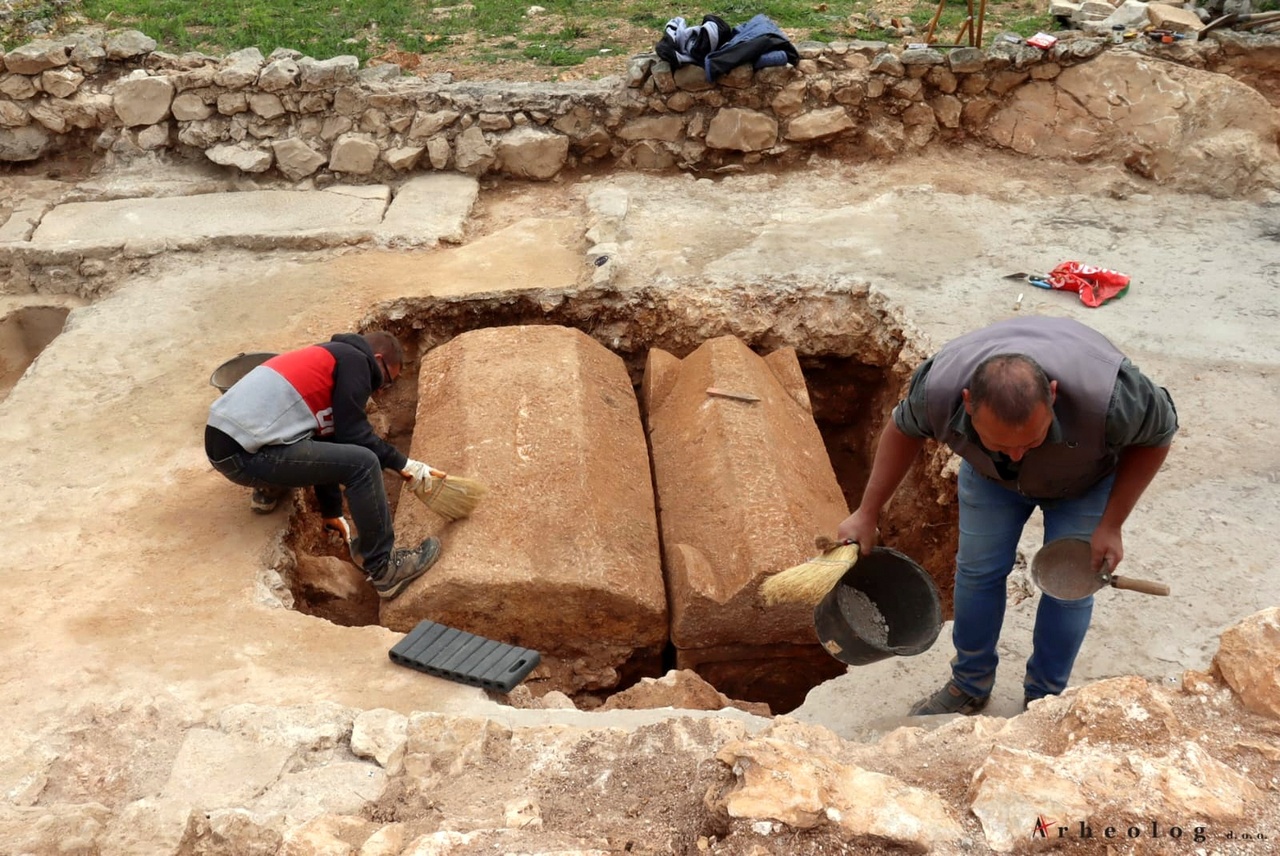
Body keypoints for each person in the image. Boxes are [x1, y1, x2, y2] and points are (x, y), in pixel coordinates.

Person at [836, 316, 1178, 714]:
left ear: (1052, 394)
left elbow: (1159, 436)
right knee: (977, 573)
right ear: (967, 403)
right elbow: (902, 431)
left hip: (1086, 480)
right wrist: (866, 512)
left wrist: (1112, 523)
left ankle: (1044, 700)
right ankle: (969, 683)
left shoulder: (1114, 397)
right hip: (989, 479)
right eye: (1001, 443)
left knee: (1070, 588)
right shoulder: (937, 390)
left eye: (1032, 440)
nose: (1017, 454)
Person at [205, 331, 441, 600]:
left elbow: (325, 440)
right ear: (377, 359)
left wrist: (332, 511)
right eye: (385, 380)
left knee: (309, 439)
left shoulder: (324, 357)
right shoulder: (356, 361)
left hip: (223, 444)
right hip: (246, 456)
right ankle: (384, 569)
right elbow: (353, 435)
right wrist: (405, 464)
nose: (378, 389)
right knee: (363, 464)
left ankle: (268, 488)